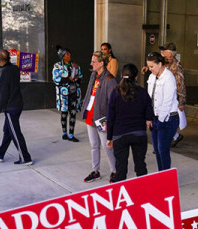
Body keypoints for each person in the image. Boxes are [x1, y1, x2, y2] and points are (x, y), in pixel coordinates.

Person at [106, 64, 152, 182]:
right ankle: (144, 193)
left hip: (119, 135)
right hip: (139, 134)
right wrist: (148, 119)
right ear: (136, 77)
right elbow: (149, 110)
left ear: (122, 76)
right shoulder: (142, 92)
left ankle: (121, 196)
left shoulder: (115, 93)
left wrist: (109, 137)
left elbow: (110, 117)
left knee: (121, 169)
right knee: (140, 166)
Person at [0, 50, 32, 166]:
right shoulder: (14, 68)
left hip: (11, 107)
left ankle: (25, 157)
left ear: (1, 60)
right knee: (8, 131)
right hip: (17, 104)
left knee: (16, 133)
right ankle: (0, 153)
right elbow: (4, 68)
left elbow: (1, 94)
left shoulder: (4, 72)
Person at [83, 50, 117, 182]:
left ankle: (114, 171)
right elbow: (89, 94)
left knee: (107, 146)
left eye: (94, 61)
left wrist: (108, 120)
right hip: (90, 116)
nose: (91, 63)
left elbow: (113, 103)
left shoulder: (110, 79)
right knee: (94, 146)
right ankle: (95, 170)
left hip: (102, 118)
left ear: (101, 63)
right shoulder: (93, 75)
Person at [146, 52, 178, 172]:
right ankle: (161, 176)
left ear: (160, 64)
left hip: (168, 118)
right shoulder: (152, 77)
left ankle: (166, 179)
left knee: (163, 150)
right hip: (155, 117)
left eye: (152, 66)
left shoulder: (168, 77)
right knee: (157, 150)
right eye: (148, 67)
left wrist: (159, 121)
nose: (150, 69)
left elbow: (167, 102)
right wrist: (149, 117)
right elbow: (150, 98)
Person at [52, 45, 82, 142]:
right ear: (63, 56)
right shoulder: (57, 66)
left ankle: (71, 135)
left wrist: (77, 77)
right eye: (67, 54)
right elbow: (56, 79)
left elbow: (80, 78)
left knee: (73, 113)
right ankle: (64, 133)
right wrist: (68, 79)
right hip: (63, 94)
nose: (69, 55)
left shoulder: (75, 65)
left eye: (69, 53)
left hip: (74, 93)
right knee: (64, 113)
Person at [160, 43, 186, 148]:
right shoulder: (166, 64)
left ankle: (172, 138)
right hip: (166, 97)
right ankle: (175, 136)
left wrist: (181, 101)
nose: (163, 54)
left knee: (168, 119)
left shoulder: (176, 66)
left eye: (165, 52)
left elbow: (181, 84)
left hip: (173, 98)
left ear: (170, 54)